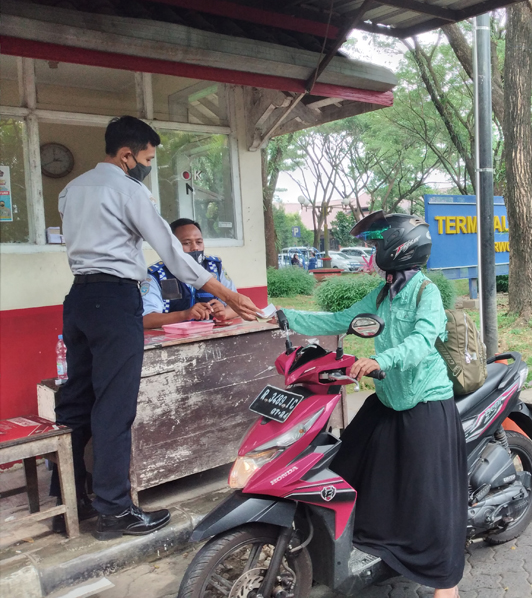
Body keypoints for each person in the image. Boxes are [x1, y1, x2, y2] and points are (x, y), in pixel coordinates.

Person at [52, 116, 260, 539]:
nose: (147, 165)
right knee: (113, 405)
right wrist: (228, 293)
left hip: (78, 301)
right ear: (127, 154)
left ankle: (68, 502)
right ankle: (114, 512)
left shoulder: (70, 191)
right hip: (114, 301)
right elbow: (171, 251)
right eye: (146, 157)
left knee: (75, 400)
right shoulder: (130, 191)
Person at [279, 212, 465, 598]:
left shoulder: (424, 292)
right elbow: (338, 319)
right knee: (347, 464)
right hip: (388, 398)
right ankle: (373, 545)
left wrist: (383, 360)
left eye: (378, 245)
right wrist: (280, 315)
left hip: (425, 402)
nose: (373, 252)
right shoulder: (382, 294)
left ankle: (447, 583)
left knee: (431, 499)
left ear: (399, 248)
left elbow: (423, 338)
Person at [142, 218, 239, 328]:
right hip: (171, 340)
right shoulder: (156, 274)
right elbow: (146, 319)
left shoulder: (214, 267)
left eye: (199, 242)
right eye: (186, 243)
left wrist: (224, 313)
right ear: (171, 246)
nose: (195, 248)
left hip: (210, 336)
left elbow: (237, 304)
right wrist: (184, 315)